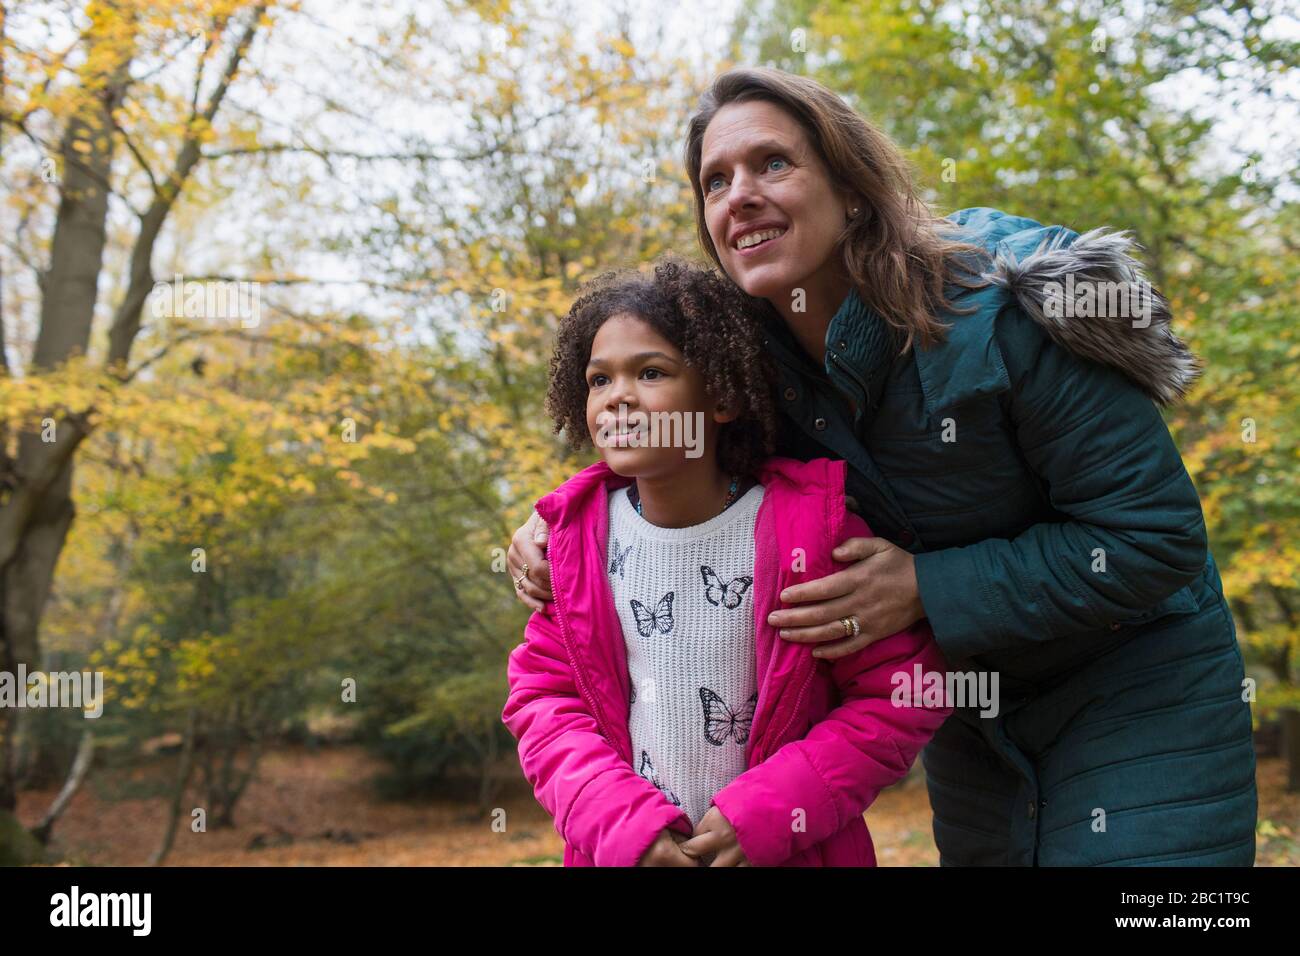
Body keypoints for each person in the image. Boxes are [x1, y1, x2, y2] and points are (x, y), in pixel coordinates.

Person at [507, 67, 1257, 866]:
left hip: (1134, 687)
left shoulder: (1006, 310)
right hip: (973, 713)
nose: (740, 195)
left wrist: (924, 587)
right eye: (715, 181)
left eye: (773, 164)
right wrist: (558, 516)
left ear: (853, 188)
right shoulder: (746, 365)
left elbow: (1154, 537)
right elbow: (672, 452)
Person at [501, 258, 951, 866]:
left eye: (651, 372)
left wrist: (767, 814)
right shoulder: (575, 547)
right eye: (599, 380)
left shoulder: (809, 532)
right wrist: (623, 826)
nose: (617, 399)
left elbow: (901, 693)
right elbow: (544, 704)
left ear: (722, 397)